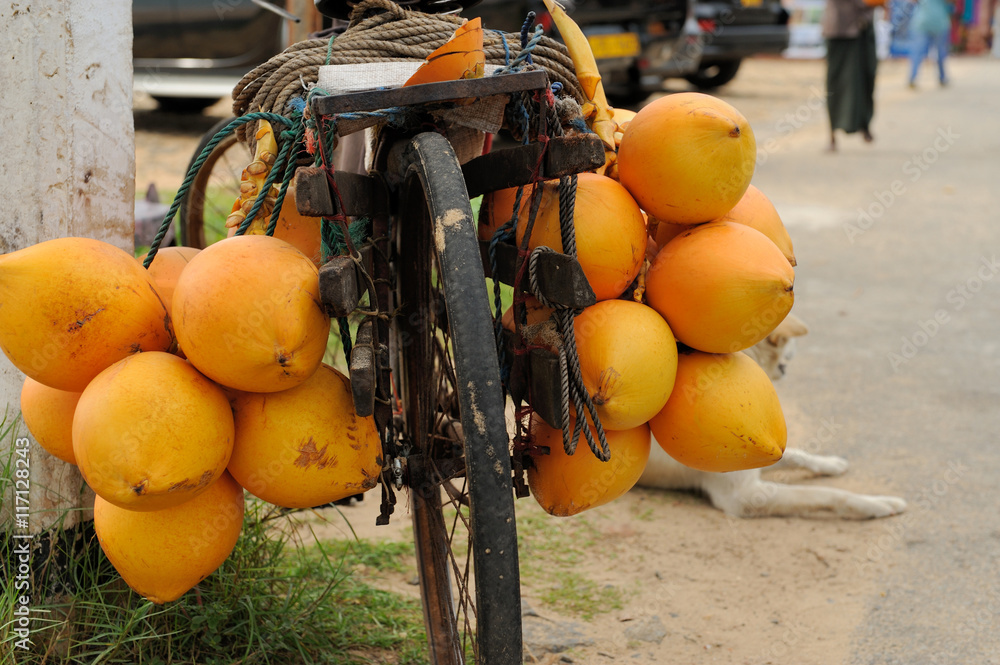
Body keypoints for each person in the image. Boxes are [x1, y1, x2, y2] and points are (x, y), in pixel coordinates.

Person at [822, 0, 878, 151]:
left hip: (862, 29)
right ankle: (832, 134)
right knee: (835, 84)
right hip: (839, 30)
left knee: (866, 78)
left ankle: (864, 124)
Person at [907, 0, 953, 87]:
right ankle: (942, 78)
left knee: (917, 52)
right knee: (940, 53)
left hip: (922, 22)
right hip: (940, 22)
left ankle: (913, 78)